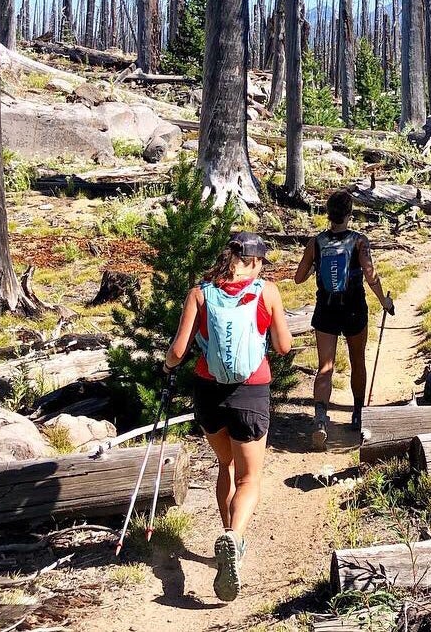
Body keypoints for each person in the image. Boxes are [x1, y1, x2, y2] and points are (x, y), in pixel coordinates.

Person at [164, 231, 291, 604]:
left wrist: (167, 366)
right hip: (250, 391)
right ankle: (234, 538)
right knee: (250, 476)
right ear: (253, 261)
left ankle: (225, 532)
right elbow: (284, 346)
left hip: (207, 391)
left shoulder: (201, 292)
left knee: (226, 464)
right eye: (262, 260)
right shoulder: (266, 292)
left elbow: (177, 351)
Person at [294, 189, 394, 450]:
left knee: (325, 366)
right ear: (349, 214)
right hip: (353, 308)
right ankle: (358, 413)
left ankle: (319, 419)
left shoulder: (316, 242)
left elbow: (298, 278)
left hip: (325, 309)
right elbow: (371, 276)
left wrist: (317, 264)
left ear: (328, 214)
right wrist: (384, 301)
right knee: (357, 361)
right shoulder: (359, 241)